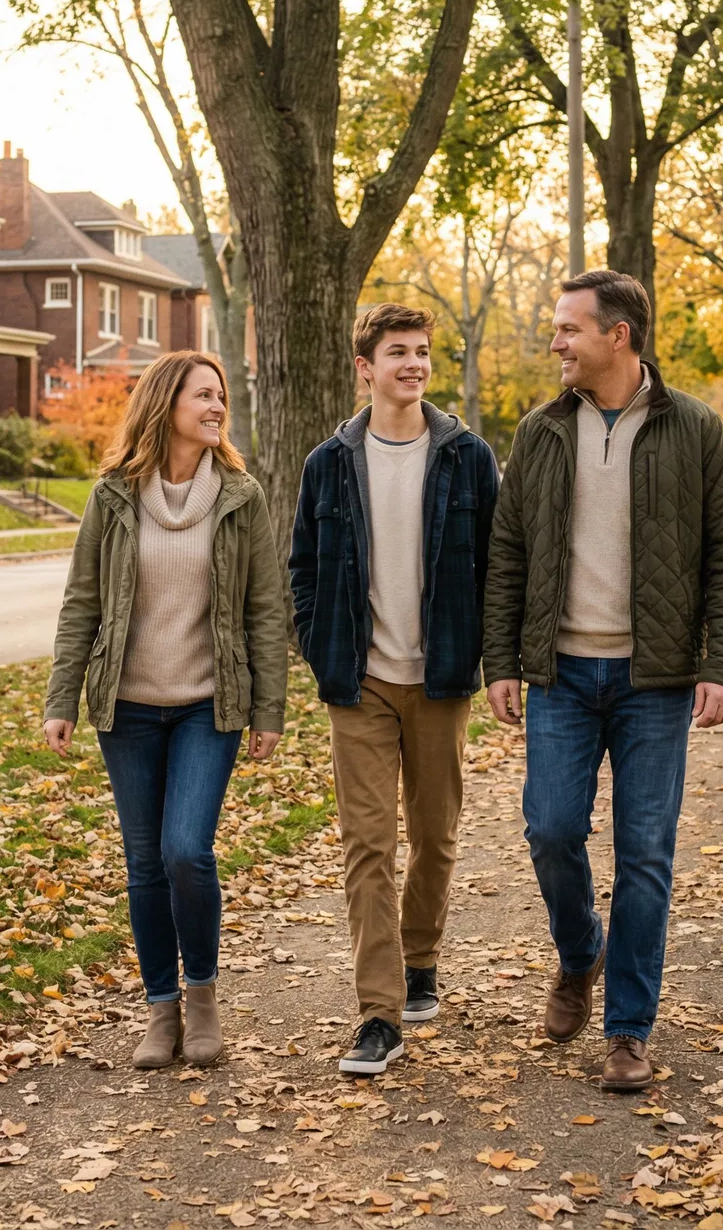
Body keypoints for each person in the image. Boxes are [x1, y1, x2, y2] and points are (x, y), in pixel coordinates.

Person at [481, 270, 723, 1092]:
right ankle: (579, 954)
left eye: (568, 329)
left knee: (646, 856)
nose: (556, 343)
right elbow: (508, 554)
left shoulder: (696, 430)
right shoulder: (540, 432)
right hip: (561, 674)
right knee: (551, 830)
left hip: (656, 682)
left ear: (619, 336)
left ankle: (629, 1029)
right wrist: (503, 662)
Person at [44, 350, 289, 1070]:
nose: (216, 407)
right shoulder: (112, 497)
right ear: (165, 405)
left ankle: (203, 996)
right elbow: (81, 603)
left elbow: (265, 609)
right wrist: (63, 696)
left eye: (221, 396)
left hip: (207, 709)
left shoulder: (241, 496)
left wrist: (268, 708)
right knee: (145, 864)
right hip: (126, 708)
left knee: (188, 852)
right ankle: (160, 1010)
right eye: (203, 396)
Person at [290, 304, 499, 1076]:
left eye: (422, 353)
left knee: (436, 836)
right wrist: (320, 650)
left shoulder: (467, 457)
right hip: (360, 682)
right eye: (396, 352)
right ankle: (378, 1014)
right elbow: (303, 570)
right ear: (365, 368)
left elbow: (493, 565)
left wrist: (487, 655)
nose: (412, 364)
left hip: (442, 676)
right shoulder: (329, 463)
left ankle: (421, 960)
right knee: (367, 845)